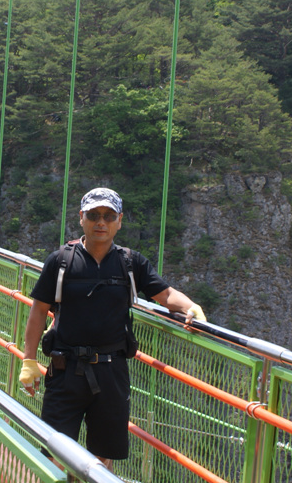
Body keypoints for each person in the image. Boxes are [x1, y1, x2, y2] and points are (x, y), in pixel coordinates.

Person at [18, 187, 206, 468]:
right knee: (53, 455)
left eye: (108, 216)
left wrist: (191, 307)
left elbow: (165, 295)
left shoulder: (130, 262)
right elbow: (38, 311)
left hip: (111, 372)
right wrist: (29, 360)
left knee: (102, 460)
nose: (101, 222)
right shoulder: (60, 261)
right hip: (65, 369)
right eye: (93, 215)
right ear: (81, 218)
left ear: (119, 220)